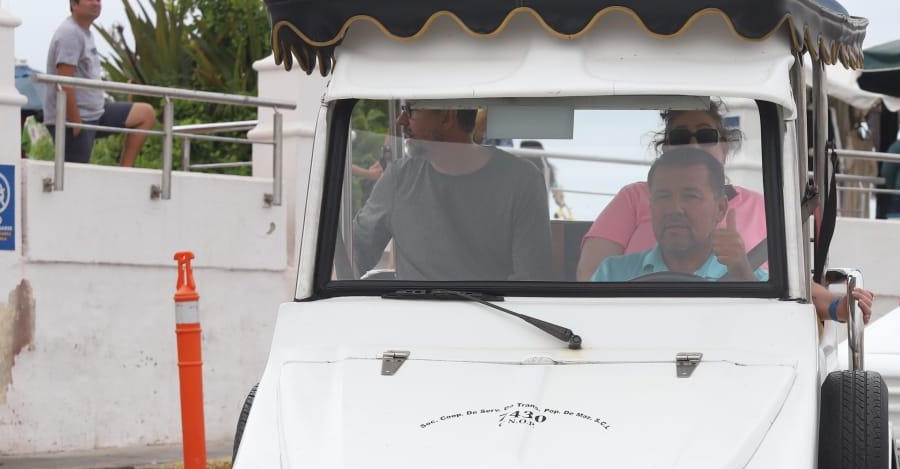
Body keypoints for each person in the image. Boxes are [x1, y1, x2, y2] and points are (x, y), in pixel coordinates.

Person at [582, 104, 871, 321]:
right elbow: (588, 282)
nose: (692, 145)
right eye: (680, 137)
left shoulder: (764, 207)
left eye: (705, 136)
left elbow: (793, 285)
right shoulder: (632, 200)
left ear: (725, 145)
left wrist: (838, 307)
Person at [350, 104, 552, 282]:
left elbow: (531, 281)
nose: (401, 120)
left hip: (492, 324)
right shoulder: (397, 179)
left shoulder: (522, 181)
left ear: (448, 116)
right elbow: (353, 257)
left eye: (411, 110)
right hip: (412, 322)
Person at [592, 150, 764, 282]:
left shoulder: (752, 276)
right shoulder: (612, 274)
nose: (675, 209)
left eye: (690, 196)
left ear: (720, 208)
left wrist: (743, 279)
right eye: (663, 196)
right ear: (651, 206)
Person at [43, 0, 156, 166]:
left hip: (97, 112)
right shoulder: (70, 33)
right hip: (74, 119)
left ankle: (124, 173)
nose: (96, 3)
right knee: (74, 179)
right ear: (74, 4)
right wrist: (76, 122)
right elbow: (64, 81)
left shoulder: (85, 32)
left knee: (145, 114)